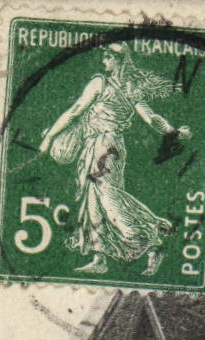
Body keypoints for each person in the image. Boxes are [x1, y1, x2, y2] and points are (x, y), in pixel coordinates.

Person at [37, 43, 188, 276]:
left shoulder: (109, 84)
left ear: (119, 60)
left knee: (108, 197)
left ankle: (152, 238)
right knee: (93, 199)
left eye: (107, 57)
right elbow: (151, 118)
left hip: (107, 148)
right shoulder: (124, 86)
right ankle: (100, 257)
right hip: (95, 145)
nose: (103, 62)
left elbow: (76, 111)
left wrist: (48, 138)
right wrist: (172, 131)